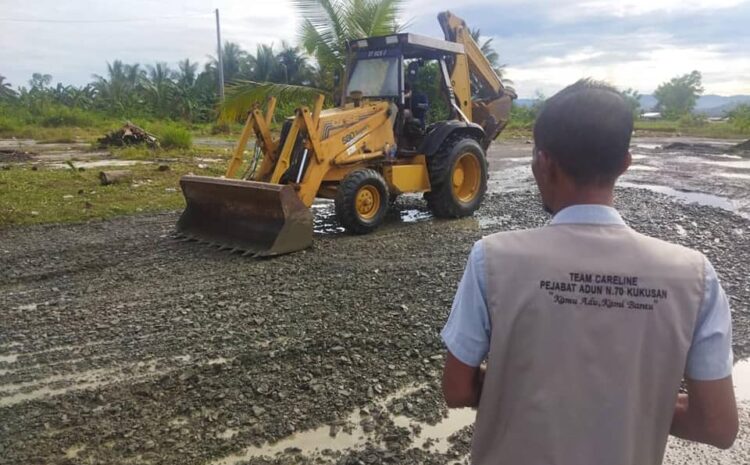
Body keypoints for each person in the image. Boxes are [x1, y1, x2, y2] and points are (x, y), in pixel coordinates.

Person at [441, 79, 738, 465]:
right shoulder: (694, 277)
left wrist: (526, 395)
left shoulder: (492, 259)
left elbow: (457, 389)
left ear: (543, 164)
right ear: (624, 164)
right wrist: (626, 404)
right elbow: (716, 426)